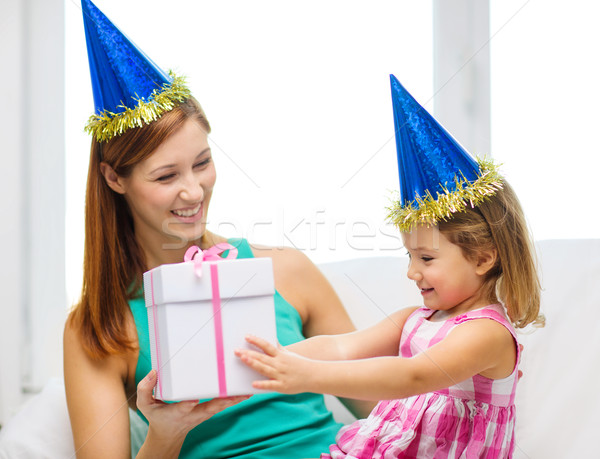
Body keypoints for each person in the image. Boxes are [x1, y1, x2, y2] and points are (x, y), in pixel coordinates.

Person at [64, 1, 371, 458]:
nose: (193, 191)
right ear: (114, 179)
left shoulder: (285, 271)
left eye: (202, 163)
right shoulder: (100, 327)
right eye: (166, 177)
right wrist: (165, 432)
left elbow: (382, 406)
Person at [236, 75, 544, 458]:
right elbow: (343, 347)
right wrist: (270, 358)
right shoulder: (415, 319)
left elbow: (411, 376)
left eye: (426, 259)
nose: (413, 272)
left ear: (483, 258)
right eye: (410, 256)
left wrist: (307, 376)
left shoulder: (486, 334)